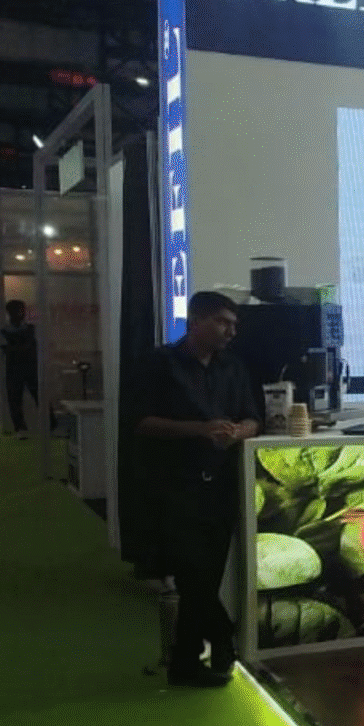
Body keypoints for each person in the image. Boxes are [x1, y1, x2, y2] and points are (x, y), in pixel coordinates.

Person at [135, 291, 261, 688]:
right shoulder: (159, 364)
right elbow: (142, 422)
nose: (230, 332)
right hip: (176, 486)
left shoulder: (234, 367)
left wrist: (237, 432)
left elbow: (253, 418)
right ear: (195, 320)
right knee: (192, 574)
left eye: (234, 325)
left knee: (205, 577)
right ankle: (223, 638)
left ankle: (186, 662)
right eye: (222, 322)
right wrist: (201, 430)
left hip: (222, 485)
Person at [0, 299, 38, 439]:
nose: (21, 314)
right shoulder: (4, 331)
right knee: (15, 400)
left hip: (30, 368)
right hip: (14, 370)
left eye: (22, 311)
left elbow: (30, 348)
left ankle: (51, 425)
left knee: (39, 396)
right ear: (10, 313)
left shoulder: (30, 329)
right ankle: (20, 428)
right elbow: (6, 349)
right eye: (17, 311)